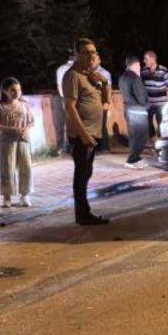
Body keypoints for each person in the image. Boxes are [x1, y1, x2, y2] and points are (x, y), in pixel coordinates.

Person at [62, 38, 111, 225]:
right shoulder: (73, 76)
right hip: (82, 134)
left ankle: (83, 212)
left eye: (94, 52)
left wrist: (104, 82)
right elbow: (70, 107)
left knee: (86, 172)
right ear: (77, 55)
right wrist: (83, 134)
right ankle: (83, 214)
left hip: (94, 132)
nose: (91, 55)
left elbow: (106, 103)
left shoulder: (91, 76)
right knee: (81, 175)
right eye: (86, 52)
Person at [0, 77, 35, 208]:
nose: (17, 93)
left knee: (26, 167)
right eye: (13, 90)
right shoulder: (0, 106)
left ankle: (25, 195)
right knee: (7, 168)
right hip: (6, 140)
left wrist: (25, 128)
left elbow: (32, 121)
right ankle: (6, 196)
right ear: (5, 91)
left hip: (24, 139)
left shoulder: (24, 104)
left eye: (18, 90)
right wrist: (9, 129)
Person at [119, 55, 150, 169]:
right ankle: (131, 160)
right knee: (141, 137)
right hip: (137, 112)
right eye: (139, 66)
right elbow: (141, 96)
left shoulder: (123, 77)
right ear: (136, 65)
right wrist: (146, 105)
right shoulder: (135, 77)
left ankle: (135, 158)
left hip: (128, 109)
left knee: (133, 137)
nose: (140, 68)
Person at [141, 50, 168, 138]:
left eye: (146, 59)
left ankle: (161, 139)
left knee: (161, 124)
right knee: (148, 124)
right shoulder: (144, 71)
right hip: (148, 103)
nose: (144, 61)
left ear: (153, 59)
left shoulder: (163, 70)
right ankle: (152, 138)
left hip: (161, 103)